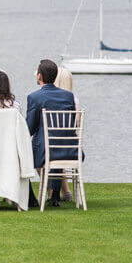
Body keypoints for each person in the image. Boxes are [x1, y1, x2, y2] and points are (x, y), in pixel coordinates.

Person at [25, 59, 77, 208]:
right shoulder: (68, 96)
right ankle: (54, 194)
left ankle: (31, 198)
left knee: (21, 154)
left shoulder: (34, 97)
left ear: (39, 76)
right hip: (69, 149)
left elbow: (29, 128)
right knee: (56, 141)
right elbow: (70, 123)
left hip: (45, 151)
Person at [53, 67, 80, 202]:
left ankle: (51, 192)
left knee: (45, 153)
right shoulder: (74, 100)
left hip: (54, 146)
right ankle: (65, 191)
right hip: (73, 148)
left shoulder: (52, 100)